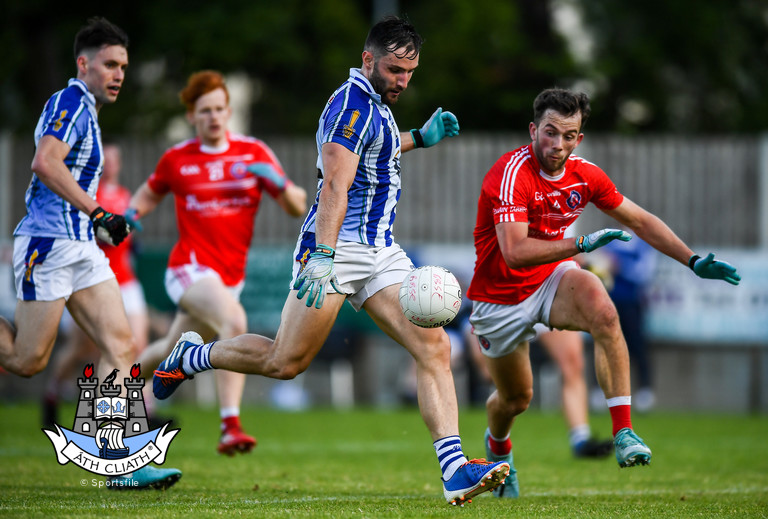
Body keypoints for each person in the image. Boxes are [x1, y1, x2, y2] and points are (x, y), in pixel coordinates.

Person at [153, 16, 510, 506]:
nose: (403, 80)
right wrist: (322, 256)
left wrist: (419, 138)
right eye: (395, 69)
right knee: (286, 362)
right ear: (368, 59)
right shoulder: (348, 106)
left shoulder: (376, 105)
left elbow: (377, 153)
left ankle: (453, 469)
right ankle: (193, 356)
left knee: (434, 349)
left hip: (380, 250)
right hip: (336, 251)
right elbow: (336, 184)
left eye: (411, 72)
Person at [466, 87, 740, 499]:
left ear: (580, 138)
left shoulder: (585, 175)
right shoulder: (510, 174)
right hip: (499, 298)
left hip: (552, 279)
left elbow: (640, 221)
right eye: (550, 132)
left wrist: (693, 260)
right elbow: (516, 252)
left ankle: (624, 431)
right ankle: (497, 449)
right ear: (533, 129)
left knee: (604, 312)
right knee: (516, 398)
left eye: (569, 135)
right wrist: (583, 244)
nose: (557, 144)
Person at [0, 17, 180, 489]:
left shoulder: (90, 112)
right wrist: (99, 212)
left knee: (122, 346)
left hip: (81, 247)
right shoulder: (71, 102)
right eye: (110, 65)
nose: (119, 74)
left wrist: (95, 224)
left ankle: (120, 460)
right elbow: (45, 162)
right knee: (26, 361)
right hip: (48, 245)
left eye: (123, 66)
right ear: (84, 64)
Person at [128, 70, 308, 456]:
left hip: (230, 277)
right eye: (205, 110)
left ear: (229, 112)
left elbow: (297, 205)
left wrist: (276, 182)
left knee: (166, 349)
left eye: (220, 109)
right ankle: (230, 425)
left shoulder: (254, 152)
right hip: (188, 270)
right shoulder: (177, 159)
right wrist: (129, 214)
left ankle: (117, 394)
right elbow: (147, 193)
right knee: (234, 321)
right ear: (192, 115)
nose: (214, 117)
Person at [42, 144, 151, 428]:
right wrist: (108, 231)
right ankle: (52, 393)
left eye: (115, 159)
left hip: (126, 281)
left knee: (136, 345)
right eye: (106, 160)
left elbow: (129, 241)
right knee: (81, 349)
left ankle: (141, 409)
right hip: (94, 281)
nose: (111, 165)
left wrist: (132, 235)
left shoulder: (126, 194)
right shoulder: (86, 194)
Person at [603, 229, 658, 411]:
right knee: (605, 347)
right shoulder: (609, 242)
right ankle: (600, 392)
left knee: (636, 346)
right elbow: (597, 266)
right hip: (607, 303)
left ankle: (644, 393)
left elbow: (645, 272)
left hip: (632, 305)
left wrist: (622, 266)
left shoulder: (643, 245)